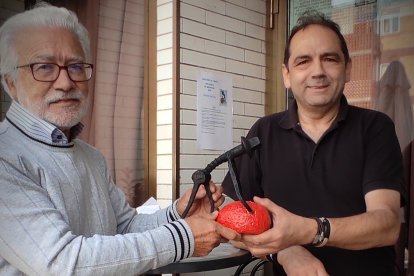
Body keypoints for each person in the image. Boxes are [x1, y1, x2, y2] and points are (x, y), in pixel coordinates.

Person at [0, 4, 237, 275]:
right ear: (11, 83)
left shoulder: (90, 156)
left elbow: (124, 227)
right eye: (44, 67)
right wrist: (183, 238)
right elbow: (63, 262)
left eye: (76, 66)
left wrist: (177, 212)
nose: (65, 82)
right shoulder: (5, 155)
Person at [222, 10, 405, 276]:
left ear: (348, 68)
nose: (317, 71)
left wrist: (309, 230)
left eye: (329, 59)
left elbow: (387, 224)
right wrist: (284, 250)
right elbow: (231, 218)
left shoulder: (376, 128)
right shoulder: (264, 132)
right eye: (303, 61)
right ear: (286, 75)